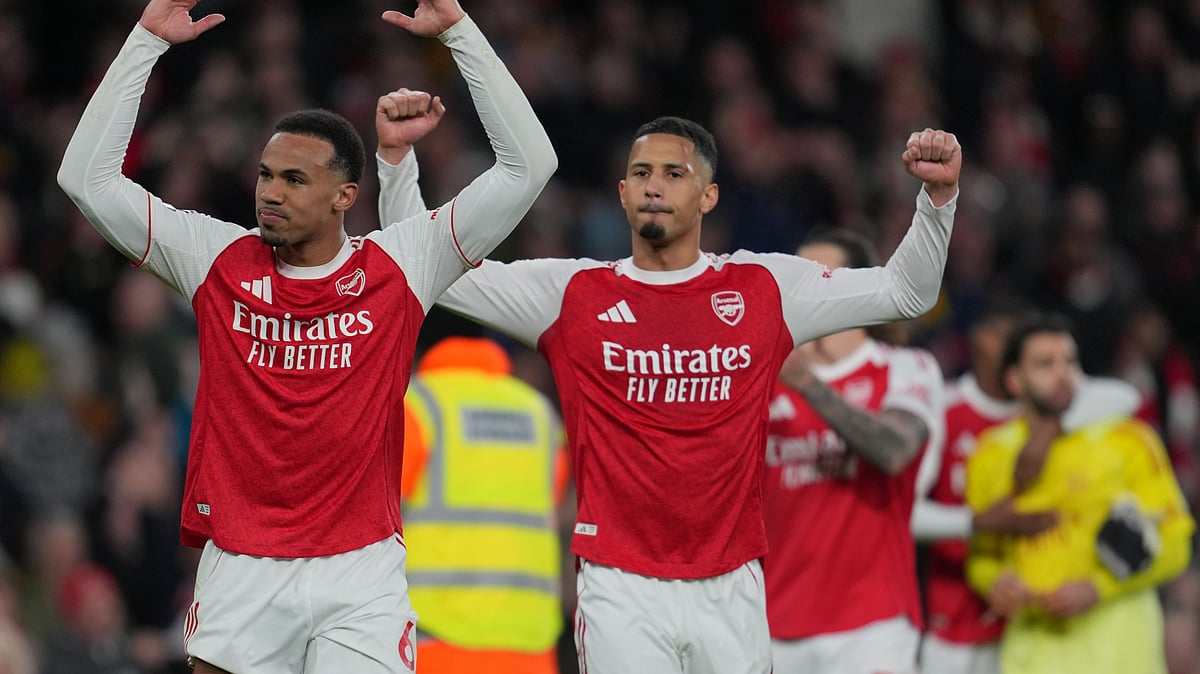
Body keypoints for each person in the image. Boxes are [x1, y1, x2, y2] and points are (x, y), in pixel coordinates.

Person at [55, 0, 557, 671]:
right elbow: (84, 179)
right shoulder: (215, 258)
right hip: (241, 566)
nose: (271, 192)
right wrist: (144, 43)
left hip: (360, 573)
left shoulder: (400, 266)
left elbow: (529, 167)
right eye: (266, 174)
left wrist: (461, 36)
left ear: (345, 195)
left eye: (295, 179)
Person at [379, 113, 961, 671]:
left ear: (708, 195)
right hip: (618, 585)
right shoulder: (570, 294)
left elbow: (907, 293)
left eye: (674, 174)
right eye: (641, 173)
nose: (654, 186)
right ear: (622, 193)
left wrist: (936, 201)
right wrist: (397, 162)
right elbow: (422, 262)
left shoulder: (766, 289)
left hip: (732, 584)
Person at [913, 302, 1140, 674]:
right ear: (984, 341)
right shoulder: (945, 408)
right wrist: (980, 522)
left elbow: (1124, 396)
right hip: (954, 615)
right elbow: (903, 513)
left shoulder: (1053, 410)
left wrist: (1052, 428)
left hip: (1034, 618)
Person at [759, 229, 944, 674]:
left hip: (871, 628)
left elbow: (895, 450)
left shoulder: (903, 368)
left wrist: (807, 385)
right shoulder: (759, 381)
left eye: (823, 277)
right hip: (771, 624)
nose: (805, 291)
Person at [965, 314, 1194, 674]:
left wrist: (1099, 587)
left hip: (1121, 655)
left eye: (1070, 361)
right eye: (1045, 363)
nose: (1063, 374)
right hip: (1031, 657)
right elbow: (981, 556)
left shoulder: (1127, 439)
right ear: (1014, 380)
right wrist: (996, 582)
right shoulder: (990, 455)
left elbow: (1177, 545)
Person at [400, 336, 568, 674]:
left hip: (436, 643)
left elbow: (372, 512)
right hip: (530, 645)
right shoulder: (539, 413)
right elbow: (554, 498)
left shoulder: (415, 405)